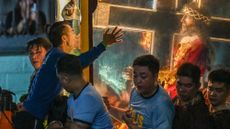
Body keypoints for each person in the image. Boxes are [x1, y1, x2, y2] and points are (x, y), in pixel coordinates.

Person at [13, 21, 123, 129]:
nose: (76, 36)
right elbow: (80, 62)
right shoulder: (58, 56)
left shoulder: (53, 55)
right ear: (64, 38)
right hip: (31, 118)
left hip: (30, 115)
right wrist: (103, 44)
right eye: (72, 32)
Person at [108, 55, 175, 129]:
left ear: (155, 77)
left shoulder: (162, 105)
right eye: (135, 76)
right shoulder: (135, 92)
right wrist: (108, 107)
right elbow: (129, 117)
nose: (137, 81)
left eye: (143, 77)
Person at [56, 54, 113, 129]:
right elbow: (68, 124)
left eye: (59, 79)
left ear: (65, 78)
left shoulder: (88, 97)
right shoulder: (72, 97)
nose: (60, 83)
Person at [172, 63, 213, 129]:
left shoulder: (202, 115)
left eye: (188, 86)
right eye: (179, 84)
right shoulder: (171, 103)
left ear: (198, 86)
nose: (181, 89)